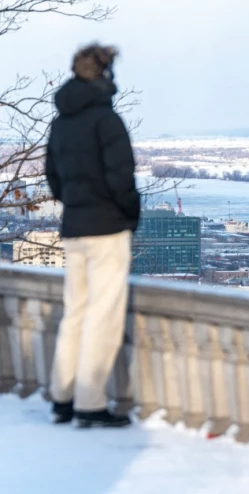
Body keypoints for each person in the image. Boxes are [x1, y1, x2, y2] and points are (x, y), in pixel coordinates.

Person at [45, 44, 140, 428]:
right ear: (105, 74)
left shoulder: (61, 122)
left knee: (75, 313)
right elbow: (122, 179)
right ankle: (90, 402)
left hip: (74, 227)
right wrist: (130, 215)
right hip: (106, 229)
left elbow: (54, 180)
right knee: (102, 314)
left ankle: (62, 397)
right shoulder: (106, 120)